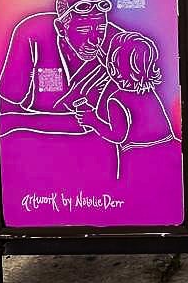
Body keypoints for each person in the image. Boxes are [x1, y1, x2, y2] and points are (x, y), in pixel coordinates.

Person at [0, 0, 130, 133]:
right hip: (35, 141)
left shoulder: (121, 44)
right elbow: (7, 108)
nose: (95, 40)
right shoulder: (31, 32)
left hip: (95, 143)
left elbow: (115, 122)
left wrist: (19, 122)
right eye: (83, 29)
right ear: (61, 28)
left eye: (101, 29)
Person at [70, 30, 177, 179]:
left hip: (139, 156)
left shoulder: (116, 100)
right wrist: (103, 57)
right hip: (167, 148)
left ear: (113, 69)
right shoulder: (148, 92)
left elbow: (118, 136)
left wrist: (92, 121)